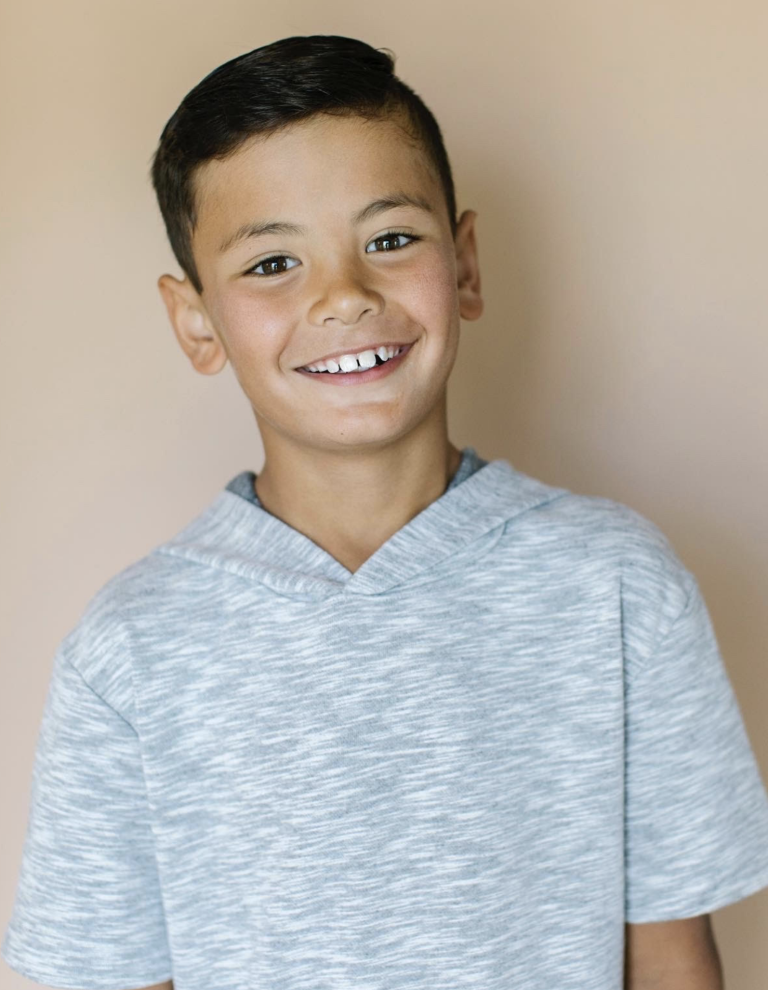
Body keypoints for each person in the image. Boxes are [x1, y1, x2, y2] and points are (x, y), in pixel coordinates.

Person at [3, 33, 768, 990]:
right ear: (196, 322)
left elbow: (671, 958)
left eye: (391, 240)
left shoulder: (618, 589)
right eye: (272, 263)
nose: (343, 296)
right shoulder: (128, 652)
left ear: (466, 265)